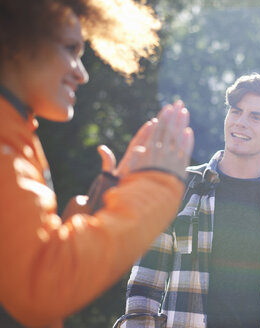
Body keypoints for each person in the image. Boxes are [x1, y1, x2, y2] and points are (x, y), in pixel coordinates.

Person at [0, 1, 194, 327]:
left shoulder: (17, 134)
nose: (82, 72)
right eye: (70, 49)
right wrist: (153, 187)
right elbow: (43, 286)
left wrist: (98, 215)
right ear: (17, 39)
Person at [121, 73, 260, 328]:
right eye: (236, 112)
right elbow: (144, 287)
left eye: (256, 117)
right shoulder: (178, 189)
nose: (241, 122)